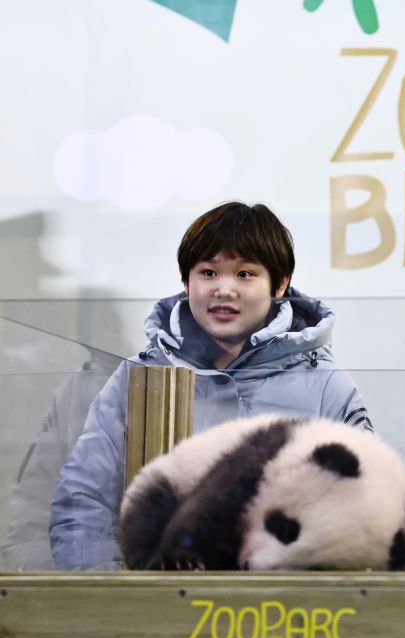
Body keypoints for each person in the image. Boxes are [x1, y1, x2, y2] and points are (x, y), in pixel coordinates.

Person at [49, 202, 372, 570]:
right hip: (155, 609)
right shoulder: (138, 377)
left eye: (245, 274)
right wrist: (117, 597)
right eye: (208, 272)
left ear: (280, 284)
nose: (224, 289)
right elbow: (84, 499)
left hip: (285, 612)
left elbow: (360, 507)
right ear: (186, 282)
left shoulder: (326, 385)